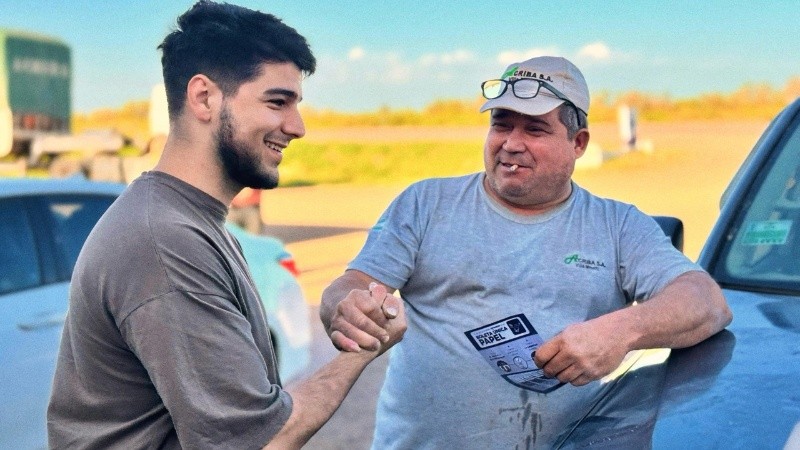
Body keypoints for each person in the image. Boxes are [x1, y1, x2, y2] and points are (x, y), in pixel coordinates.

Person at [320, 56, 732, 448]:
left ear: (578, 143)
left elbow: (706, 302)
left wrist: (621, 332)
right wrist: (347, 306)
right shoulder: (425, 204)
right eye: (501, 125)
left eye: (535, 129)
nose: (511, 144)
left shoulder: (618, 225)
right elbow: (352, 284)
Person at [47, 2, 405, 449]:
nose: (297, 127)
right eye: (277, 102)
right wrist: (367, 345)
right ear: (204, 98)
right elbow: (261, 440)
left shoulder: (191, 221)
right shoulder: (165, 240)